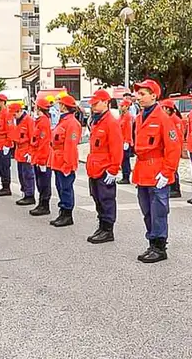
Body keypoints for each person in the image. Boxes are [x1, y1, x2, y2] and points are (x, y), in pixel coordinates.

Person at [131, 79, 182, 263]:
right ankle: (151, 242)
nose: (139, 97)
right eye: (138, 93)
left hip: (157, 171)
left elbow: (173, 147)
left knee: (158, 210)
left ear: (154, 95)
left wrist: (168, 172)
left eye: (143, 93)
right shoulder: (139, 117)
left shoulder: (163, 118)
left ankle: (160, 247)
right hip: (143, 170)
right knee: (147, 210)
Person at [85, 89, 123, 244]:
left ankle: (108, 230)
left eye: (96, 103)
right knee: (97, 198)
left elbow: (116, 147)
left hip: (105, 168)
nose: (93, 106)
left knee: (106, 199)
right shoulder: (97, 120)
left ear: (106, 103)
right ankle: (101, 226)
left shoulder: (110, 122)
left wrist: (114, 169)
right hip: (94, 167)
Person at [49, 94, 83, 227]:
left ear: (63, 106)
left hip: (65, 160)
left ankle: (67, 214)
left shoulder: (72, 123)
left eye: (59, 104)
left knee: (66, 188)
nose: (57, 106)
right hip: (58, 160)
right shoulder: (63, 121)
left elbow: (71, 146)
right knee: (60, 187)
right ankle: (62, 212)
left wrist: (68, 164)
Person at [29, 96, 53, 217]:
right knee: (39, 181)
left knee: (44, 182)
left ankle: (45, 205)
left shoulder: (43, 122)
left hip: (42, 157)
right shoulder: (38, 121)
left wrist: (42, 160)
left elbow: (44, 142)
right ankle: (41, 203)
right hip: (37, 156)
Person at [12, 103, 37, 206]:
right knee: (21, 174)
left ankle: (29, 195)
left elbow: (33, 138)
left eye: (14, 114)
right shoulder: (17, 121)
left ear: (19, 111)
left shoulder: (28, 121)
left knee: (28, 174)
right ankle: (25, 192)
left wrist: (31, 153)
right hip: (19, 151)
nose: (13, 117)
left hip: (26, 151)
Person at [160, 100, 184, 199]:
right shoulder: (167, 119)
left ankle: (175, 189)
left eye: (163, 108)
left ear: (168, 109)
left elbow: (178, 136)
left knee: (174, 169)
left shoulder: (176, 120)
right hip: (168, 148)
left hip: (175, 148)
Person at [0, 94, 16, 197]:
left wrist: (8, 144)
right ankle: (3, 186)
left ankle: (6, 187)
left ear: (2, 102)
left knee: (5, 167)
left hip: (4, 144)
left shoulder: (7, 114)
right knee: (0, 166)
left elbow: (10, 130)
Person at [118, 100, 134, 185]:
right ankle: (124, 176)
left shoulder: (128, 117)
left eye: (122, 106)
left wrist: (127, 141)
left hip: (125, 141)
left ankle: (126, 177)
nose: (120, 107)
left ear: (127, 107)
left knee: (125, 160)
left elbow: (128, 129)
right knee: (122, 160)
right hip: (121, 141)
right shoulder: (122, 116)